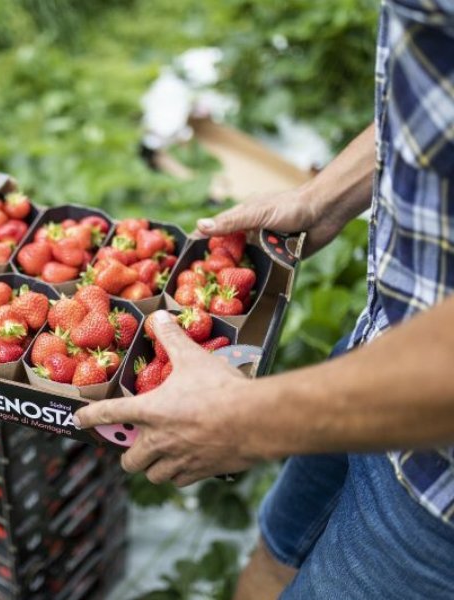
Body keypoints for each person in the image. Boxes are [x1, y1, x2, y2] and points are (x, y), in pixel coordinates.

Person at [73, 1, 454, 597]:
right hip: (379, 353)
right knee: (276, 553)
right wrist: (325, 196)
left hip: (438, 494)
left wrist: (245, 420)